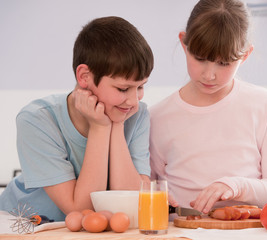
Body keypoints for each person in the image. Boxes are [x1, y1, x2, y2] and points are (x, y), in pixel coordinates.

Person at [0, 16, 153, 221]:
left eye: (141, 86)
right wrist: (99, 127)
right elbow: (81, 210)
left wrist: (116, 125)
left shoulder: (136, 114)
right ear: (84, 77)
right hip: (24, 226)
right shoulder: (37, 119)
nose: (134, 100)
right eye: (123, 88)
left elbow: (135, 202)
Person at [149, 0, 267, 215]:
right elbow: (146, 189)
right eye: (200, 59)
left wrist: (235, 186)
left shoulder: (263, 104)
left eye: (224, 63)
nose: (210, 75)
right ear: (184, 43)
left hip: (249, 233)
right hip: (183, 232)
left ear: (245, 55)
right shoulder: (158, 117)